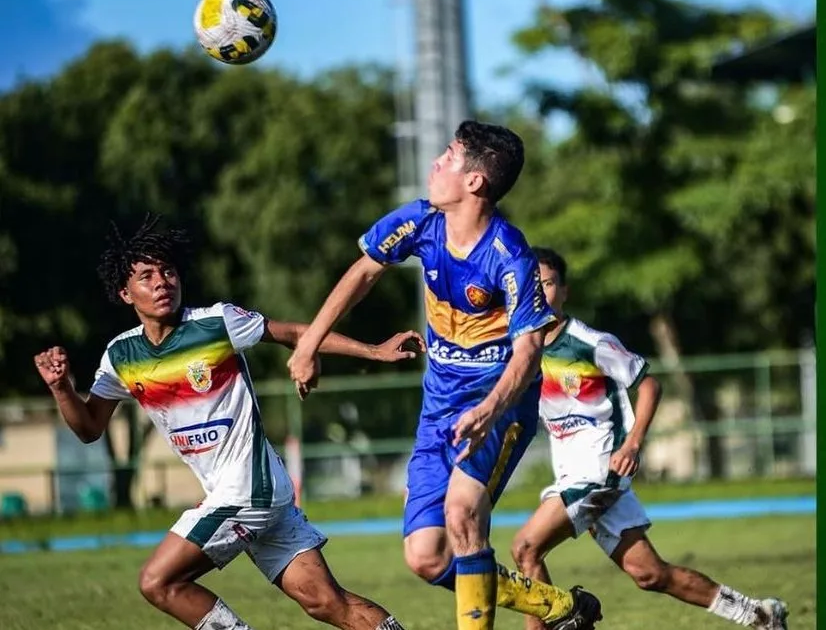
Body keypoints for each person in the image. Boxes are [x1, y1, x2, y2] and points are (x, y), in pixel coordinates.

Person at [33, 215, 420, 630]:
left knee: (157, 581)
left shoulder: (215, 322)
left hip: (249, 489)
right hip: (251, 493)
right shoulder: (120, 356)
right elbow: (90, 428)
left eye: (168, 271)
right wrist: (62, 389)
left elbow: (292, 332)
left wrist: (374, 352)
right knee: (329, 603)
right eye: (147, 276)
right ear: (125, 293)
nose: (162, 281)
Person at [287, 120, 602, 630]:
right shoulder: (421, 221)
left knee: (462, 517)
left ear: (474, 181)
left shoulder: (510, 255)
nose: (435, 163)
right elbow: (364, 270)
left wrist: (489, 409)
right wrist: (309, 343)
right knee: (427, 557)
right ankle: (561, 608)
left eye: (449, 156)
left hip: (498, 405)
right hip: (440, 405)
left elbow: (527, 352)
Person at [511, 246, 790, 630]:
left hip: (598, 469)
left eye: (549, 282)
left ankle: (571, 615)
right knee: (650, 574)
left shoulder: (588, 342)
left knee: (526, 549)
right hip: (572, 474)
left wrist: (633, 443)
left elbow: (649, 384)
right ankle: (759, 614)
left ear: (565, 290)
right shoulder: (522, 348)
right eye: (533, 284)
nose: (541, 292)